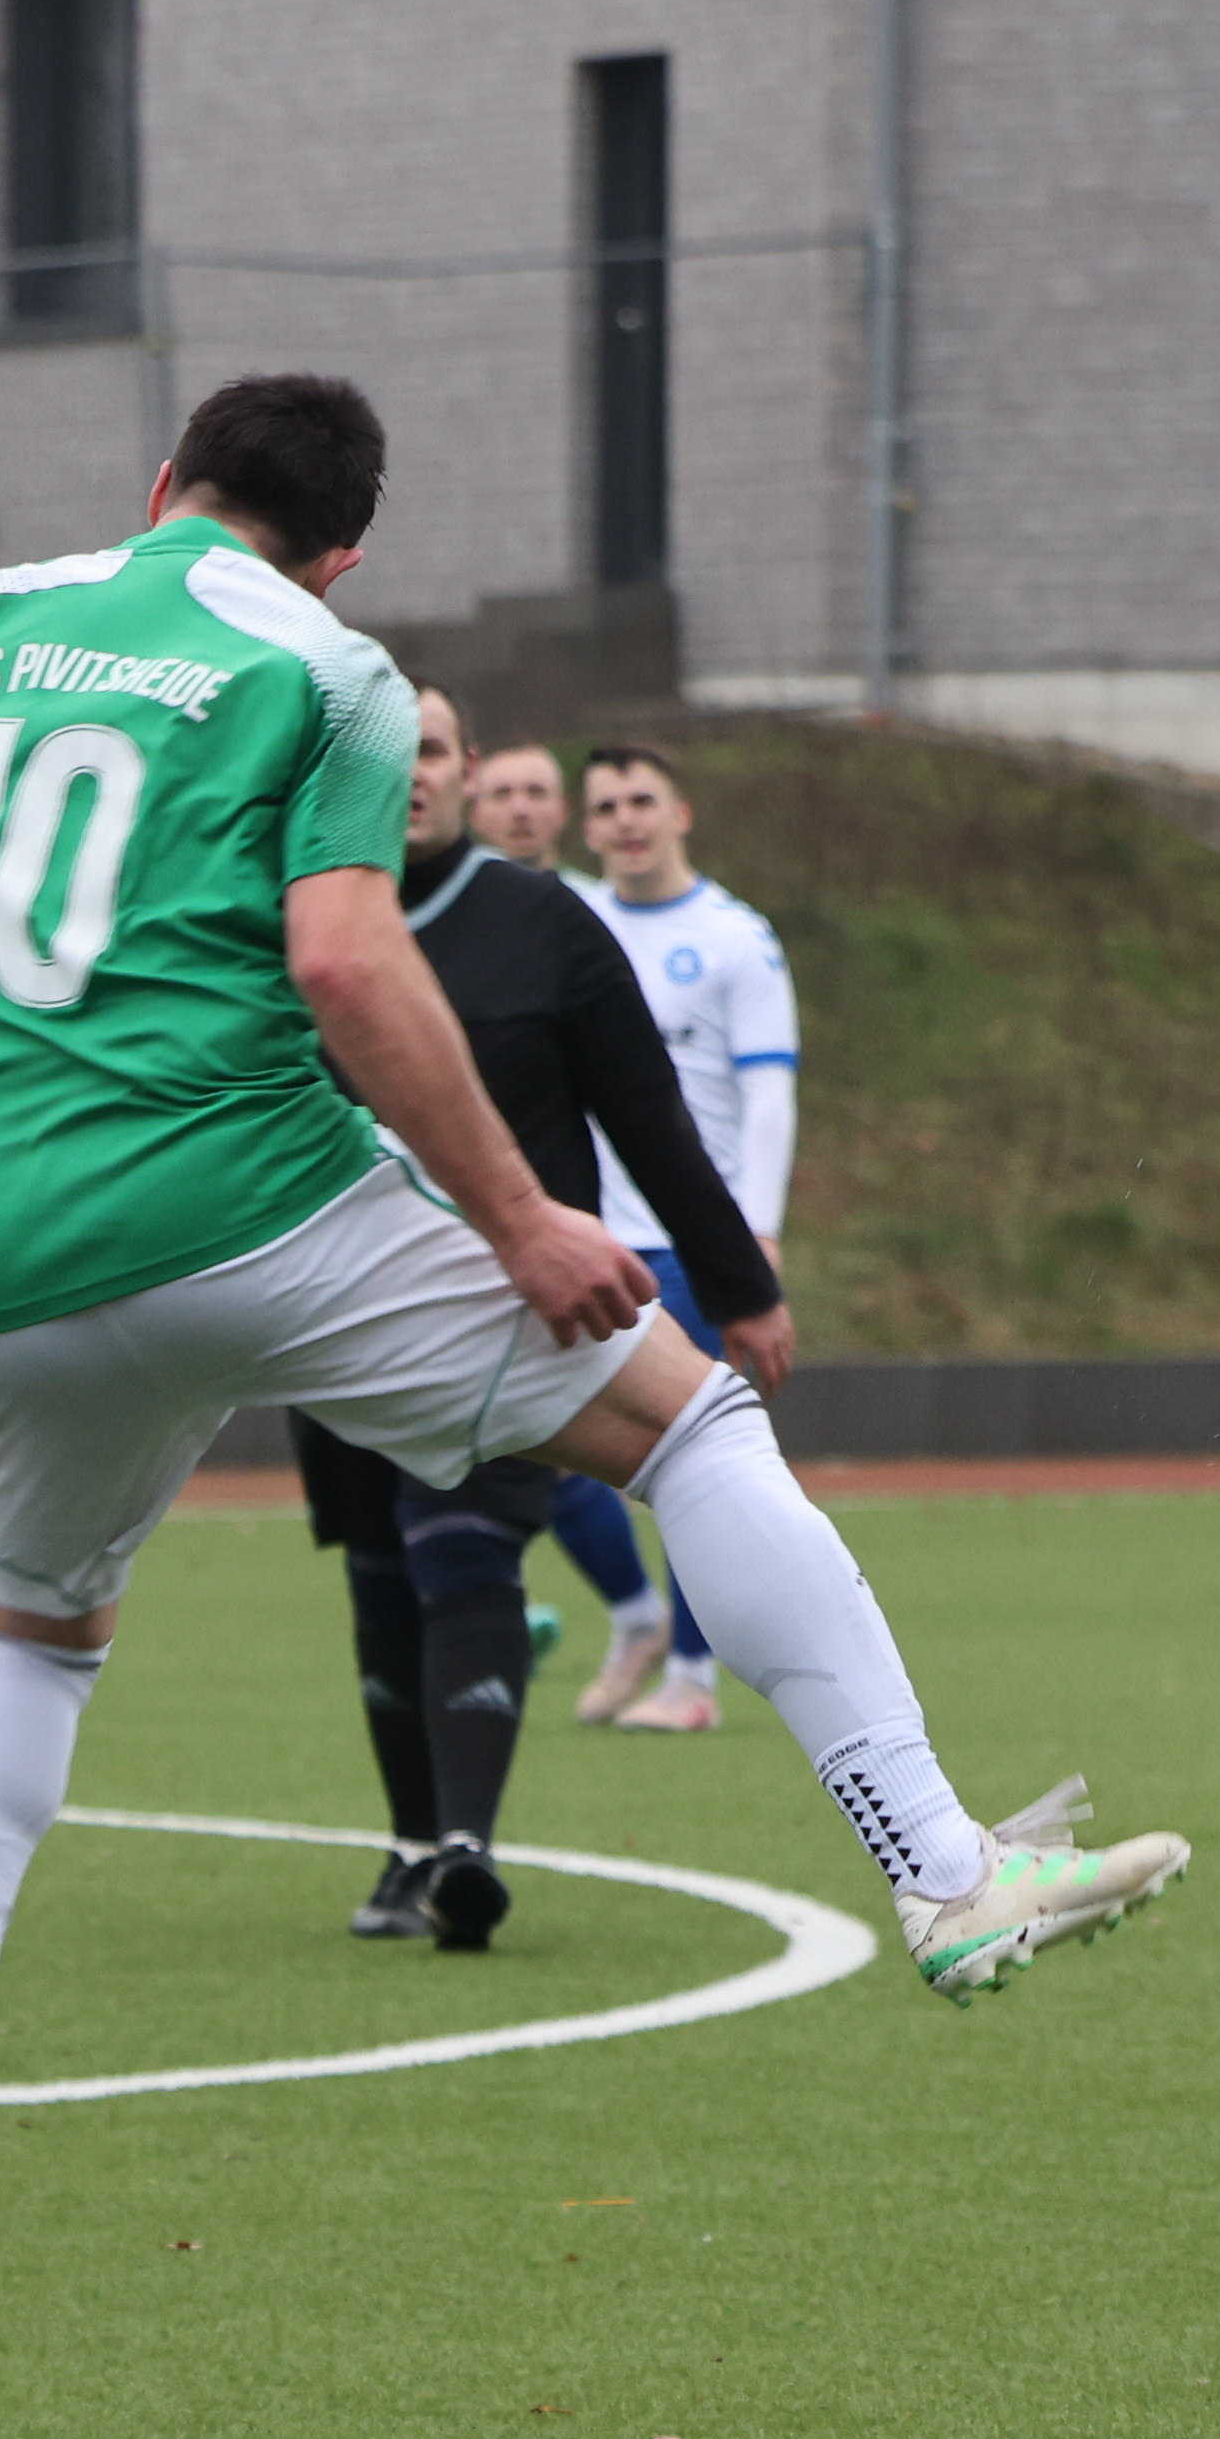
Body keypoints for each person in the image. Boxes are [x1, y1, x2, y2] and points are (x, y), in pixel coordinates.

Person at [0, 372, 1187, 2338]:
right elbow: (340, 958)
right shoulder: (325, 667)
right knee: (688, 1424)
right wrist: (519, 1213)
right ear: (340, 551)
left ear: (158, 481)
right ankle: (936, 1862)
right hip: (248, 1197)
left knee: (22, 1642)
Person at [301, 678, 785, 1947]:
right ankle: (411, 1843)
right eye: (382, 749)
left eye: (431, 749)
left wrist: (741, 1285)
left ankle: (465, 1848)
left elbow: (649, 1116)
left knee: (465, 1552)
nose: (408, 771)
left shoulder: (542, 923)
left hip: (505, 1310)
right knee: (378, 1575)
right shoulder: (295, 920)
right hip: (329, 1313)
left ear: (470, 771)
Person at [547, 740, 801, 1733]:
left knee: (692, 1460)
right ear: (587, 827)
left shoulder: (736, 938)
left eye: (641, 800)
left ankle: (692, 1678)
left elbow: (767, 1094)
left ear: (680, 812)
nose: (625, 821)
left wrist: (755, 1233)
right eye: (606, 807)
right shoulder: (569, 923)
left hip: (688, 1245)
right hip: (581, 1237)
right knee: (538, 1450)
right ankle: (635, 1614)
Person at [469, 737, 568, 866]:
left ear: (563, 810)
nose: (520, 810)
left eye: (535, 792)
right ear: (475, 814)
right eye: (502, 794)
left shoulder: (586, 881)